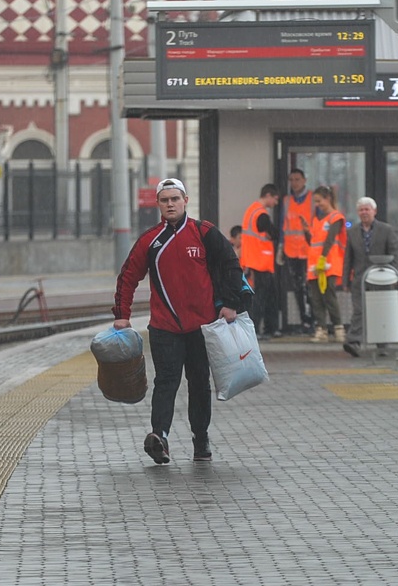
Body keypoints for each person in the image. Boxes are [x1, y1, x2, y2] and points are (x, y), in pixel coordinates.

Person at [112, 177, 246, 466]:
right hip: (164, 328)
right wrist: (122, 315)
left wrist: (231, 305)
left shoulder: (204, 232)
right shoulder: (150, 240)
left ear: (185, 200)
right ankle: (159, 436)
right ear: (158, 204)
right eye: (164, 200)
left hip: (203, 327)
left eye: (175, 199)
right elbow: (127, 277)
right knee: (166, 382)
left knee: (199, 384)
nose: (170, 204)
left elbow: (231, 265)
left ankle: (201, 439)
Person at [343, 196, 398, 356]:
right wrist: (345, 280)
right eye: (361, 210)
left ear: (374, 211)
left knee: (381, 310)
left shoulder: (386, 230)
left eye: (367, 209)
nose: (364, 212)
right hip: (360, 279)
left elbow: (395, 253)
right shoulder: (352, 232)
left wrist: (395, 274)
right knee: (359, 310)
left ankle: (382, 344)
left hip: (382, 277)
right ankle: (353, 342)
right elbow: (348, 257)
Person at [304, 186, 346, 342]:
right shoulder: (317, 221)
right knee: (316, 298)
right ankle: (321, 329)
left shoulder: (335, 217)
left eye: (319, 201)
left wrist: (323, 258)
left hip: (328, 262)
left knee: (329, 295)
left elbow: (330, 240)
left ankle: (338, 328)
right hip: (315, 264)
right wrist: (305, 232)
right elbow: (313, 242)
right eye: (315, 202)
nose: (317, 204)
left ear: (328, 198)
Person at [239, 183, 282, 338]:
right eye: (275, 199)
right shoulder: (261, 214)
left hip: (254, 260)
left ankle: (269, 328)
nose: (275, 203)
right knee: (262, 297)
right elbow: (274, 233)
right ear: (268, 196)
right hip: (260, 261)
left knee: (267, 296)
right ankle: (258, 328)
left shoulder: (252, 210)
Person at [279, 168, 314, 334]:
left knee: (310, 287)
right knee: (298, 288)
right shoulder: (286, 201)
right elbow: (282, 226)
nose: (294, 183)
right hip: (292, 251)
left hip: (309, 251)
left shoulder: (313, 200)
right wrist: (281, 247)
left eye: (297, 179)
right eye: (291, 179)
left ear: (304, 180)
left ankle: (312, 320)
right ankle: (304, 321)